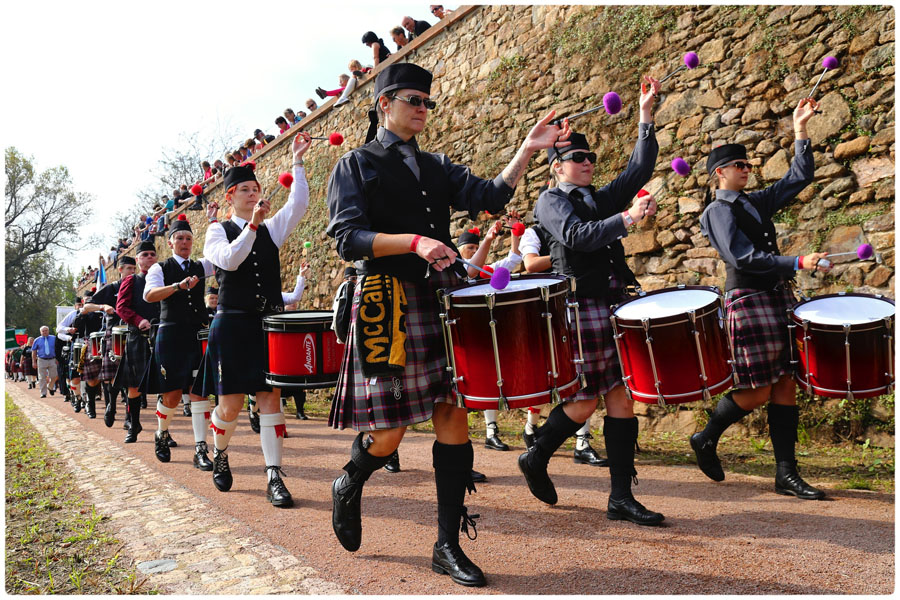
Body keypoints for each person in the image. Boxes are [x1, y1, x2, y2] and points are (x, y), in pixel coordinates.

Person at [325, 62, 570, 587]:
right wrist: (414, 242)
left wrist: (527, 149)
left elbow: (489, 196)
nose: (422, 108)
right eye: (413, 99)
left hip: (441, 300)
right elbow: (347, 238)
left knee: (452, 417)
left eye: (427, 102)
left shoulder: (435, 164)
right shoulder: (357, 164)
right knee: (388, 435)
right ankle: (350, 479)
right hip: (386, 304)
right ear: (384, 103)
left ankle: (447, 543)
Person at [529, 75, 664, 526]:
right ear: (557, 166)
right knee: (586, 402)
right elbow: (575, 237)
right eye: (576, 157)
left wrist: (645, 114)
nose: (587, 162)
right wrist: (626, 218)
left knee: (621, 398)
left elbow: (637, 172)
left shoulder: (599, 197)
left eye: (590, 157)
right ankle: (537, 454)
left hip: (613, 302)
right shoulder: (550, 201)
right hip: (581, 305)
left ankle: (621, 497)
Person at [692, 97, 828, 500]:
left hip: (775, 296)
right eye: (741, 166)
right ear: (720, 173)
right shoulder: (718, 210)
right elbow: (742, 256)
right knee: (757, 390)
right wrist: (797, 260)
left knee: (786, 382)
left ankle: (786, 473)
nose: (748, 170)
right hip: (748, 299)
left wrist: (800, 129)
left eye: (749, 165)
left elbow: (799, 177)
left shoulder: (753, 202)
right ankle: (706, 436)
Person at [199, 131, 312, 507]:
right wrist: (251, 226)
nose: (252, 193)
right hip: (231, 325)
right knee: (229, 406)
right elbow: (229, 261)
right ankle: (221, 453)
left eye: (255, 188)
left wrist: (297, 159)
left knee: (270, 397)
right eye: (244, 189)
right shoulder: (217, 231)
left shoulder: (270, 228)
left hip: (267, 324)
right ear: (230, 196)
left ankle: (274, 477)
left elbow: (298, 205)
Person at [519, 210, 607, 467]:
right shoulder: (533, 232)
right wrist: (567, 255)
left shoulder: (581, 226)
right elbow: (530, 264)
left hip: (578, 304)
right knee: (545, 379)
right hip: (546, 309)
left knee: (586, 378)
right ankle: (530, 427)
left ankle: (582, 442)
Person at [143, 214, 216, 469]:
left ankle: (200, 450)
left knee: (200, 393)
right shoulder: (159, 268)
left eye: (188, 238)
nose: (184, 242)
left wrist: (214, 221)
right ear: (171, 243)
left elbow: (225, 255)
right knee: (172, 395)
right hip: (171, 335)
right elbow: (150, 295)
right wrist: (177, 286)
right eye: (179, 238)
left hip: (197, 334)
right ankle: (161, 433)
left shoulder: (202, 265)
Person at [114, 241, 160, 443]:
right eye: (145, 255)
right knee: (134, 387)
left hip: (161, 336)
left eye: (152, 254)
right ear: (139, 259)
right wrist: (138, 320)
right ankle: (134, 425)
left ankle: (163, 432)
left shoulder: (162, 279)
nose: (149, 257)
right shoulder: (132, 280)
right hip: (137, 337)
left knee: (165, 386)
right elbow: (121, 308)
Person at [84, 255, 137, 426]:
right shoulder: (111, 288)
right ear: (120, 270)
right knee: (112, 377)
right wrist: (102, 306)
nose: (132, 272)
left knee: (133, 378)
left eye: (134, 269)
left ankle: (129, 418)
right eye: (129, 269)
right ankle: (111, 406)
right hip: (113, 333)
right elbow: (86, 307)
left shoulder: (139, 285)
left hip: (133, 333)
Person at [32, 327, 59, 397]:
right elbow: (34, 351)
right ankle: (43, 393)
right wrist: (34, 362)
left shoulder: (54, 338)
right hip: (41, 360)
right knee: (42, 377)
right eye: (43, 331)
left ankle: (50, 386)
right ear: (40, 332)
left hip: (52, 359)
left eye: (46, 330)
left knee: (54, 376)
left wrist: (58, 358)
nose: (45, 332)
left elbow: (58, 348)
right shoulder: (37, 340)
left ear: (48, 331)